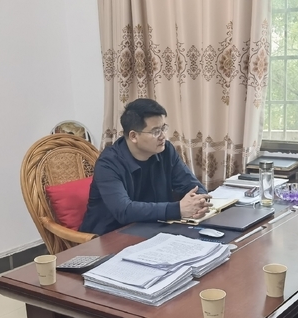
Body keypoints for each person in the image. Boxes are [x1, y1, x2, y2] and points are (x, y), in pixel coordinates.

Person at [79, 97, 209, 236]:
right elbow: (124, 210)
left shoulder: (166, 151)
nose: (163, 136)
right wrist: (178, 209)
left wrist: (199, 201)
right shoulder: (108, 163)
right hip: (109, 236)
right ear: (134, 136)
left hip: (152, 228)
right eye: (156, 131)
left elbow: (192, 185)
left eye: (163, 128)